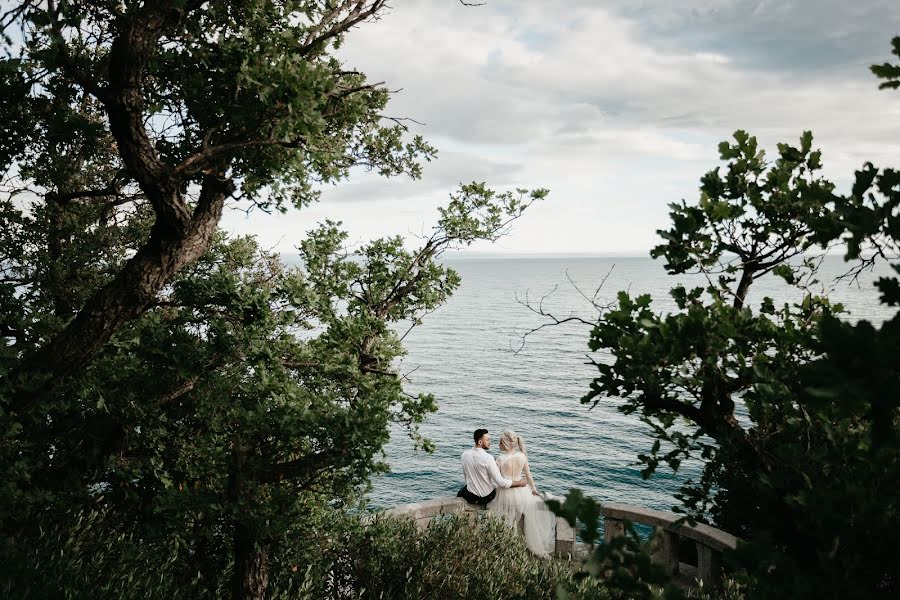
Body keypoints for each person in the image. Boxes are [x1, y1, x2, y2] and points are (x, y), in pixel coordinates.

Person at [487, 430, 556, 557]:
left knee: (506, 522)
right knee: (520, 522)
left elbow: (496, 479)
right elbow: (529, 477)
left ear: (504, 444)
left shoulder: (500, 459)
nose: (498, 445)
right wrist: (534, 490)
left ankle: (506, 547)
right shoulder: (522, 457)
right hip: (522, 493)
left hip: (505, 493)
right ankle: (520, 547)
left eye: (500, 442)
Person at [458, 429, 526, 508]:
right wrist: (519, 483)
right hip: (487, 497)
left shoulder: (464, 455)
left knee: (461, 492)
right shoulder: (488, 458)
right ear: (480, 442)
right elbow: (500, 482)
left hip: (471, 496)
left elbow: (466, 477)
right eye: (487, 440)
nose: (490, 442)